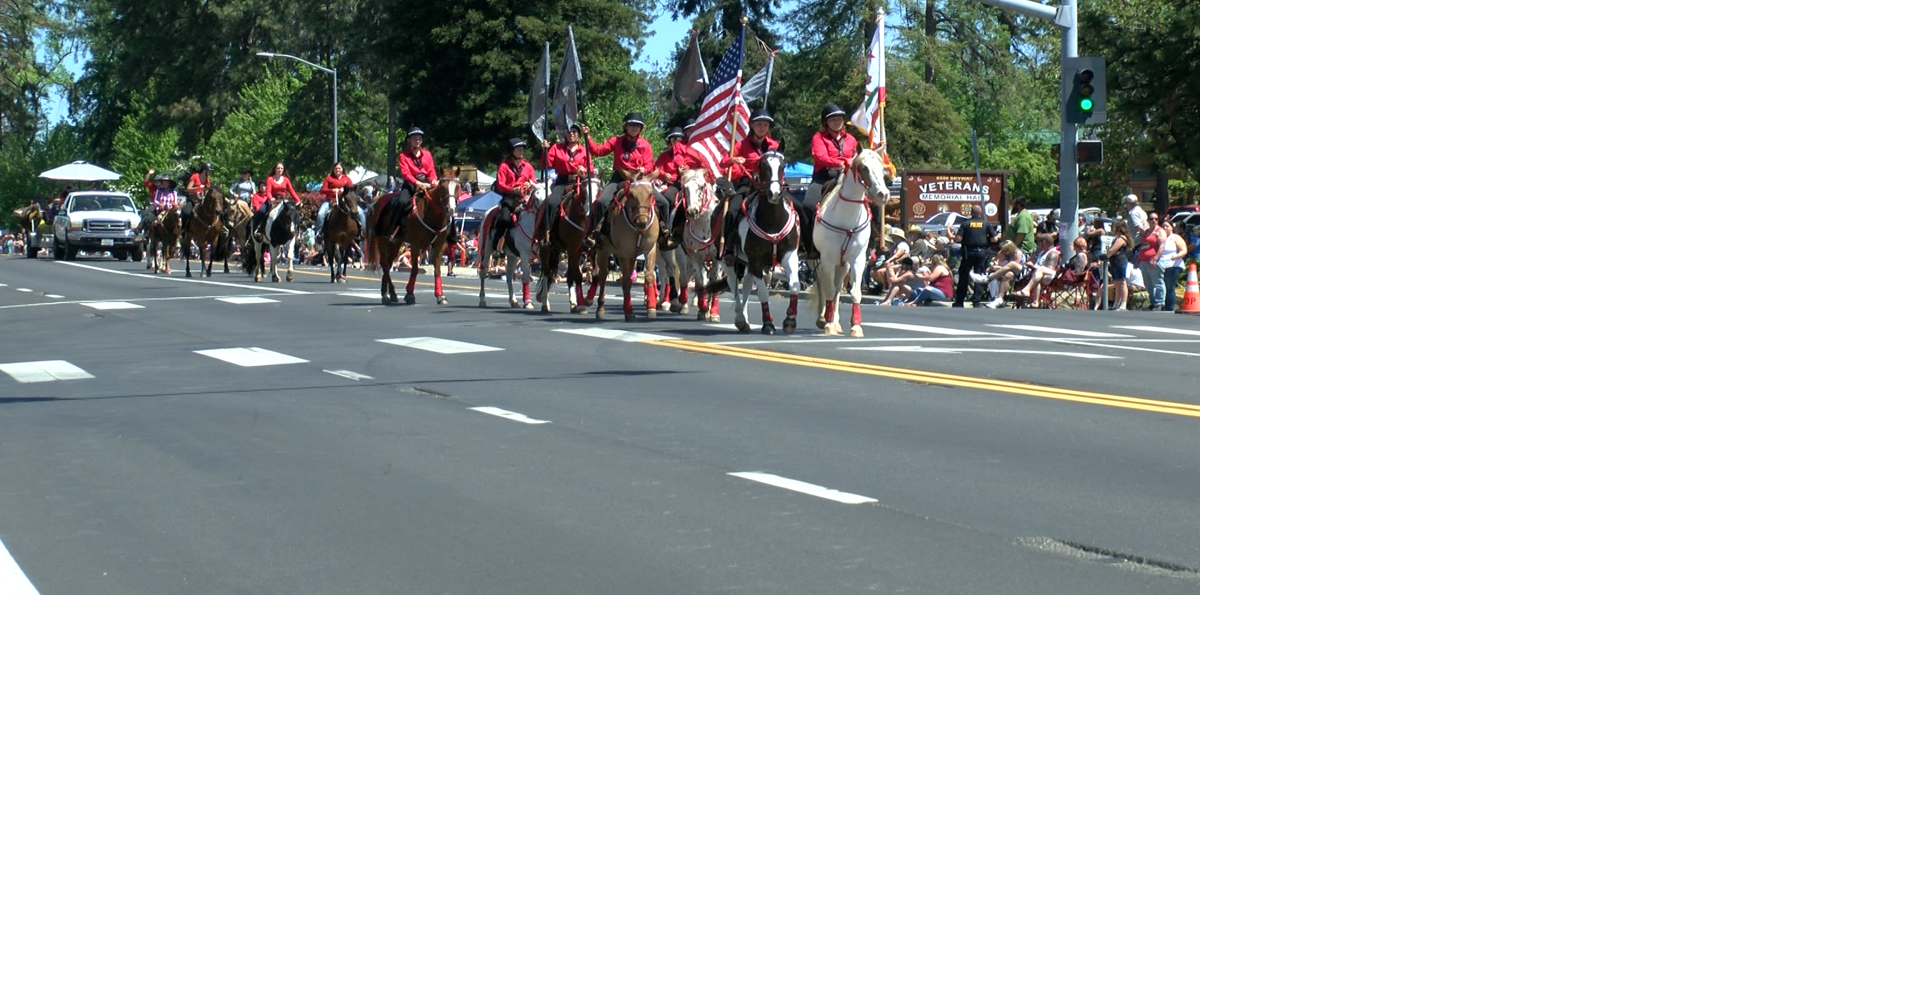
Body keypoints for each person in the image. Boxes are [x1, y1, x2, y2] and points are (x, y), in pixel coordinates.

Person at [722, 110, 784, 260]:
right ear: (752, 126)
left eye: (765, 124)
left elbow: (780, 166)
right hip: (748, 184)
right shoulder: (741, 144)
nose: (762, 127)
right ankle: (729, 247)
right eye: (758, 124)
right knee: (732, 211)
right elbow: (723, 161)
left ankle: (798, 243)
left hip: (770, 184)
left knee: (796, 206)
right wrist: (733, 160)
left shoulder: (775, 145)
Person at [586, 112, 655, 240]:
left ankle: (663, 233)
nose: (634, 127)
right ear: (625, 127)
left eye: (637, 125)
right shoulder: (615, 141)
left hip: (639, 179)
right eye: (631, 125)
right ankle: (594, 232)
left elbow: (649, 164)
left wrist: (644, 169)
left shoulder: (645, 145)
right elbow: (597, 151)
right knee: (602, 201)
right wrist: (587, 138)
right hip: (619, 177)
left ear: (641, 129)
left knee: (663, 202)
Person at [539, 122, 593, 243]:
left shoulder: (585, 150)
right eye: (569, 132)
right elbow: (546, 164)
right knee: (552, 203)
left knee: (593, 200)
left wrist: (583, 171)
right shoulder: (556, 148)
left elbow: (591, 169)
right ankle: (548, 232)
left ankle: (593, 233)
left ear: (578, 134)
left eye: (574, 132)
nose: (571, 134)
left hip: (580, 181)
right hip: (562, 181)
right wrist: (545, 151)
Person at [488, 138, 537, 254]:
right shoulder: (504, 166)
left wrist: (529, 185)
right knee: (505, 218)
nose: (521, 151)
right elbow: (500, 185)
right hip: (509, 197)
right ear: (512, 151)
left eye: (522, 149)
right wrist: (512, 189)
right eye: (518, 149)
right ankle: (496, 244)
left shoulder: (528, 167)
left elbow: (534, 182)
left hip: (525, 198)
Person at [806, 104, 859, 211]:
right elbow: (821, 157)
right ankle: (808, 228)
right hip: (824, 177)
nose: (837, 122)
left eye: (839, 119)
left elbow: (856, 157)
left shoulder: (851, 139)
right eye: (833, 119)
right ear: (826, 122)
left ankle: (877, 226)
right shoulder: (819, 137)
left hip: (847, 176)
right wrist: (841, 163)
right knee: (808, 205)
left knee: (873, 202)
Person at [951, 203, 994, 307]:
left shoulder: (965, 224)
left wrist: (953, 235)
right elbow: (994, 239)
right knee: (979, 276)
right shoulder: (986, 224)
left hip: (968, 252)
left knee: (964, 275)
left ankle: (960, 301)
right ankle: (976, 301)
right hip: (981, 253)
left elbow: (958, 239)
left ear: (971, 213)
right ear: (980, 213)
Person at [315, 161, 360, 237]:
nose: (337, 170)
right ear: (333, 169)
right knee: (320, 214)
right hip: (331, 200)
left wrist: (344, 190)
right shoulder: (329, 178)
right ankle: (319, 232)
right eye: (336, 168)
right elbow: (322, 190)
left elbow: (352, 190)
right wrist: (332, 190)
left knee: (360, 213)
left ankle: (362, 231)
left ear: (342, 169)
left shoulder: (347, 179)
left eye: (339, 168)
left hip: (345, 201)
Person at [1155, 218, 1188, 311]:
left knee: (1170, 286)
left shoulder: (1175, 237)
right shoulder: (1160, 238)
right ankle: (1160, 304)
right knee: (1162, 285)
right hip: (1162, 265)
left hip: (1173, 265)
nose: (1165, 228)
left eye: (1167, 226)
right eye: (1163, 226)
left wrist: (1176, 256)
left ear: (1171, 228)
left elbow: (1184, 250)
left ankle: (1169, 307)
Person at [982, 240, 1026, 309]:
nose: (1004, 252)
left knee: (1010, 267)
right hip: (1008, 272)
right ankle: (997, 298)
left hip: (1020, 272)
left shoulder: (1017, 253)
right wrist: (994, 265)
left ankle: (987, 278)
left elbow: (1012, 267)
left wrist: (999, 268)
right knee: (1008, 275)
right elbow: (998, 262)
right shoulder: (1003, 253)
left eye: (1005, 250)